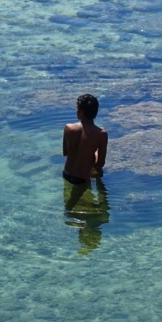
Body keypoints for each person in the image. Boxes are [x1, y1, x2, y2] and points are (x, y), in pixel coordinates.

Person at [61, 94, 110, 252]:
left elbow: (65, 152)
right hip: (82, 179)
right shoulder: (101, 134)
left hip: (67, 174)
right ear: (95, 112)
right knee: (90, 201)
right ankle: (86, 222)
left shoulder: (68, 128)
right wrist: (93, 154)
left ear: (80, 112)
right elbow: (100, 164)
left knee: (71, 204)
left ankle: (78, 219)